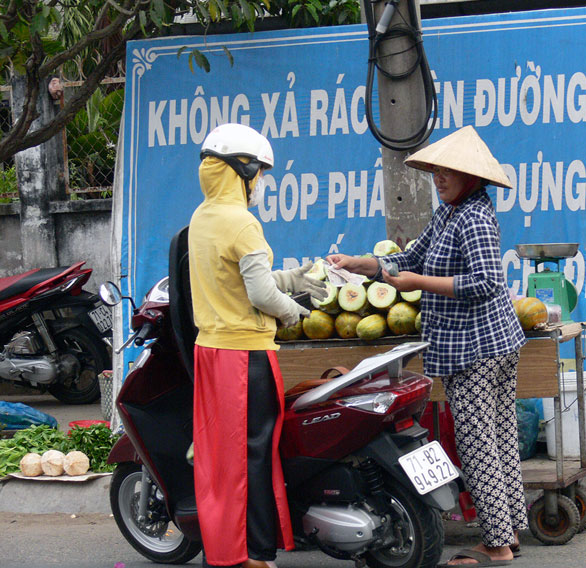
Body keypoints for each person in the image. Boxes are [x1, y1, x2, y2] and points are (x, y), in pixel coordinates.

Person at [328, 125, 527, 567]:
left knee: (479, 443)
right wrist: (361, 264)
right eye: (435, 171)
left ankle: (497, 544)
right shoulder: (449, 214)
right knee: (497, 438)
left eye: (447, 172)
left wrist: (417, 284)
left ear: (471, 177)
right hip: (481, 345)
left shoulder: (473, 216)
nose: (438, 178)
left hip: (478, 347)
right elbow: (410, 258)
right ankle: (508, 529)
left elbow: (486, 282)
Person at [188, 123, 326, 568]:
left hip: (211, 352)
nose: (262, 183)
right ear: (241, 172)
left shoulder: (202, 217)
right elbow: (262, 296)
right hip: (245, 357)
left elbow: (238, 280)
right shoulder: (243, 222)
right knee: (255, 456)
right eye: (260, 174)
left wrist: (292, 278)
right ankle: (256, 555)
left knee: (223, 459)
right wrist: (295, 312)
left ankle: (229, 548)